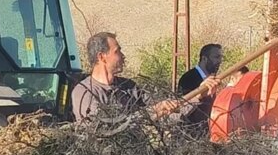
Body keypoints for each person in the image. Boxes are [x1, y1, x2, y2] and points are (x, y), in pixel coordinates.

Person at [72, 32, 219, 124]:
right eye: (117, 51)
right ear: (101, 57)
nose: (123, 56)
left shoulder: (128, 86)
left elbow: (169, 111)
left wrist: (198, 95)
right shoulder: (85, 93)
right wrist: (154, 111)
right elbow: (107, 129)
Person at [177, 43, 223, 130]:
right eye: (216, 57)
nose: (220, 61)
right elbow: (181, 109)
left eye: (221, 57)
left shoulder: (213, 79)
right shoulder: (188, 79)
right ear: (204, 58)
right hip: (191, 133)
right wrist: (198, 95)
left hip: (209, 131)